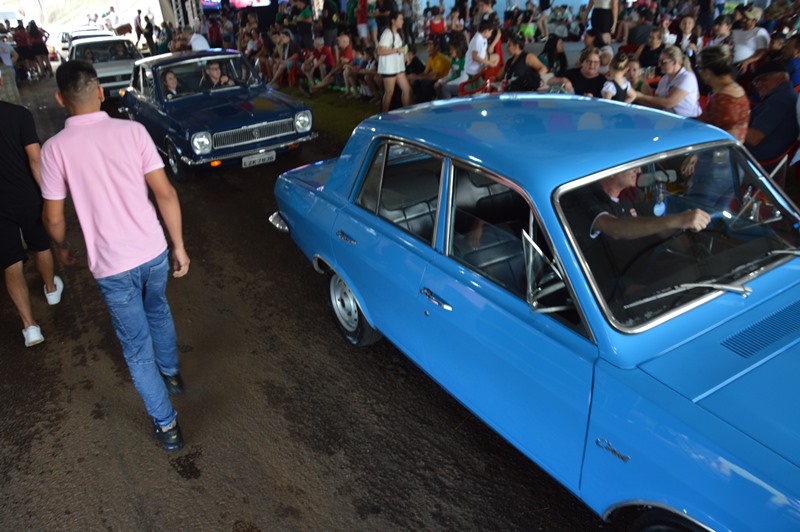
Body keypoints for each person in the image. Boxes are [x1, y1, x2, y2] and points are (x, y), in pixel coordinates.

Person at [40, 60, 190, 452]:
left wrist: (62, 246)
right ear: (101, 92)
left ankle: (167, 426)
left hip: (112, 267)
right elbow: (166, 193)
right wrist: (179, 246)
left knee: (136, 348)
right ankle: (172, 375)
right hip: (153, 251)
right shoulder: (133, 131)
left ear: (60, 99)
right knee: (158, 309)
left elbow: (54, 218)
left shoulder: (54, 150)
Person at [0, 71, 64, 347]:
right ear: (0, 81)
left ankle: (30, 327)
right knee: (40, 245)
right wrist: (47, 193)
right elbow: (35, 161)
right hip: (27, 196)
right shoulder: (19, 115)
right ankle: (51, 289)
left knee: (10, 263)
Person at [745, 61, 800, 165]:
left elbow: (753, 138)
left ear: (782, 76)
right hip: (757, 158)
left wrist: (729, 126)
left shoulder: (779, 101)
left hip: (752, 162)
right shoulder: (787, 94)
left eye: (763, 79)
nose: (758, 85)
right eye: (755, 82)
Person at [697, 45, 749, 142]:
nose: (698, 72)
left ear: (707, 72)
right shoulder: (737, 89)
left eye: (699, 67)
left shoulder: (722, 101)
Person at [634, 45, 701, 118]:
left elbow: (669, 103)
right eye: (659, 62)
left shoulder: (687, 77)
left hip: (689, 120)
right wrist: (636, 97)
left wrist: (641, 96)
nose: (659, 65)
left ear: (674, 62)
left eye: (663, 62)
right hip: (669, 119)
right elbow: (657, 103)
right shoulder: (664, 79)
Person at [377, 11, 411, 112]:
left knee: (406, 89)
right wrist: (397, 51)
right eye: (400, 19)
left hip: (398, 67)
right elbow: (380, 51)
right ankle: (384, 114)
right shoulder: (387, 34)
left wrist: (405, 54)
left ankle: (406, 112)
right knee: (389, 92)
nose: (402, 21)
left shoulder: (398, 33)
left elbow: (401, 47)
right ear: (393, 21)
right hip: (389, 68)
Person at [732, 7, 769, 73]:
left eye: (747, 19)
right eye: (743, 17)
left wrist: (747, 61)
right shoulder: (736, 31)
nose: (743, 20)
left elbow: (762, 52)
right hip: (724, 61)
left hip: (739, 65)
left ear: (754, 21)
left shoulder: (759, 31)